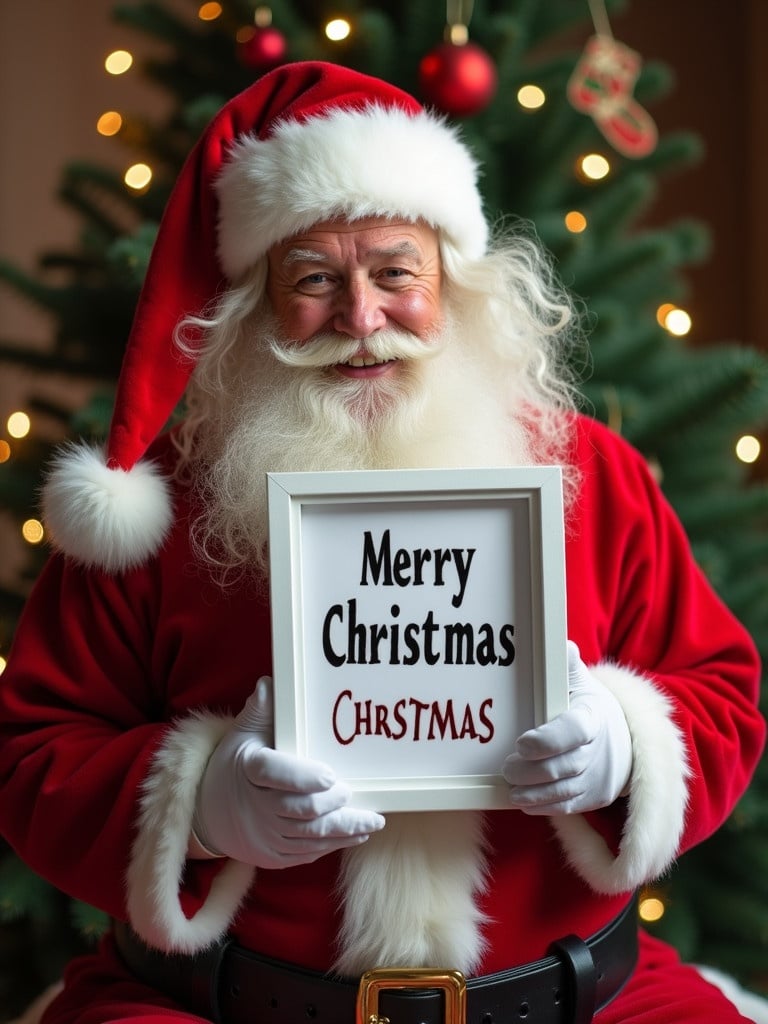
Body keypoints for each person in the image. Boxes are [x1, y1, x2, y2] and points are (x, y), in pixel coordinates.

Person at [0, 61, 764, 1024]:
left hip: (576, 1001)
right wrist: (200, 805)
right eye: (314, 279)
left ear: (456, 280)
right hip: (222, 1005)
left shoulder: (590, 473)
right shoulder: (167, 509)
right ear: (252, 305)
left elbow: (721, 690)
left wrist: (623, 746)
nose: (361, 319)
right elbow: (32, 754)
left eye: (395, 272)